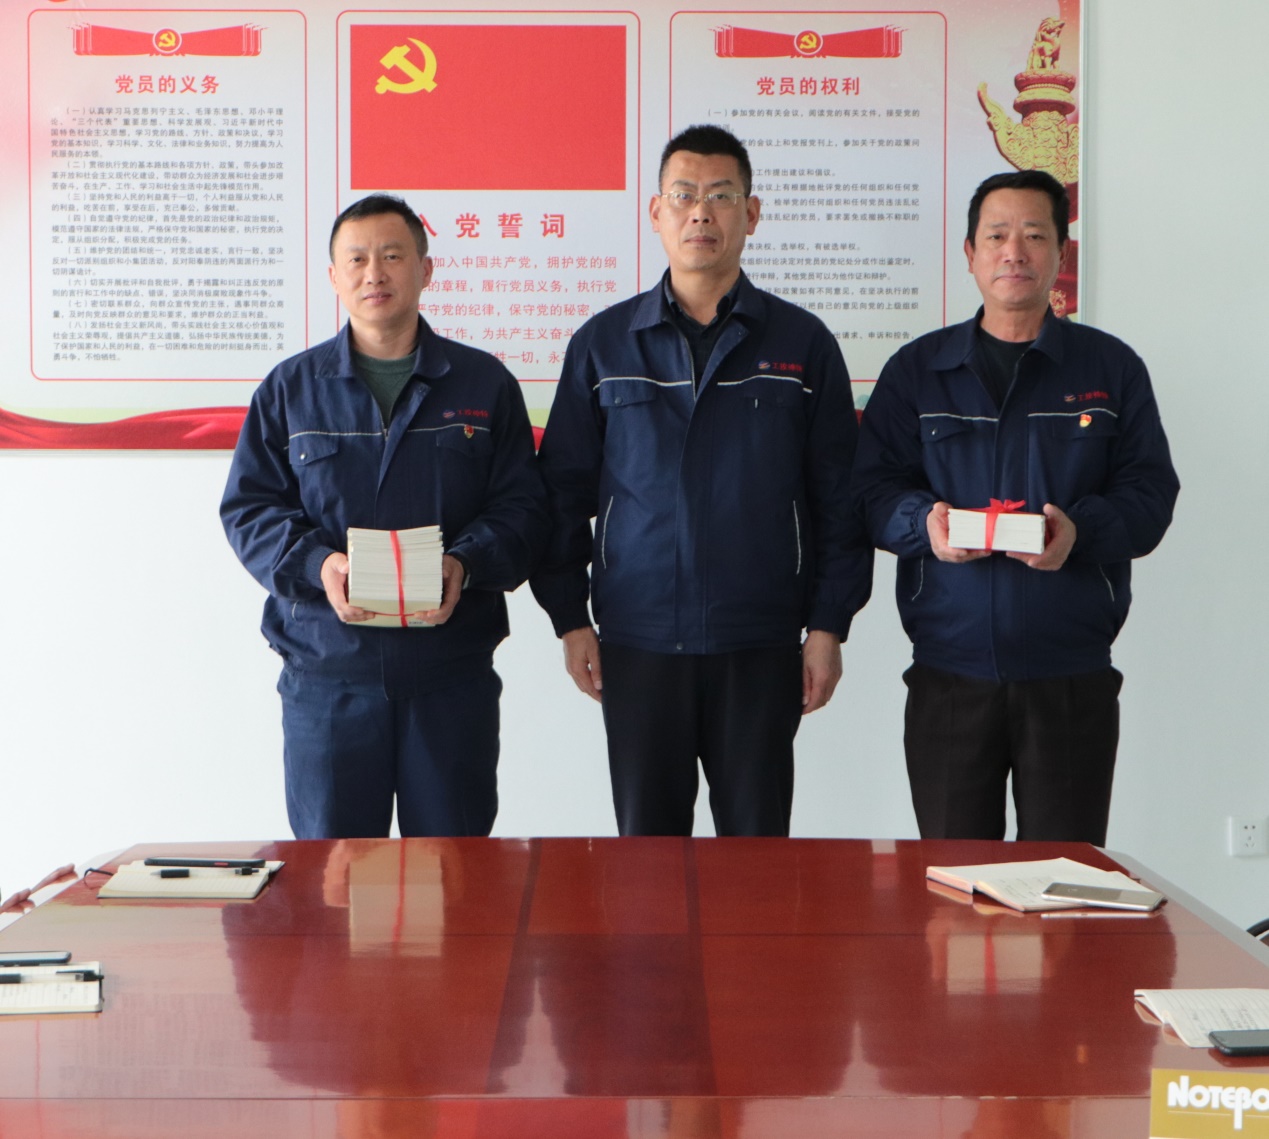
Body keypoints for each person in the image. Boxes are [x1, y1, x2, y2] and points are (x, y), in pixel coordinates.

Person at [531, 124, 873, 837]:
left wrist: (827, 626)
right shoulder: (603, 344)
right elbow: (560, 495)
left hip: (760, 638)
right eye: (683, 196)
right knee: (647, 857)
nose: (700, 213)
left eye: (720, 196)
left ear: (751, 214)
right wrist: (570, 618)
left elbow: (839, 500)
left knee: (755, 854)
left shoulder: (802, 344)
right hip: (638, 638)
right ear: (656, 212)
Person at [851, 170, 1179, 843]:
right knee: (953, 883)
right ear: (969, 253)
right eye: (996, 235)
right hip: (949, 674)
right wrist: (924, 525)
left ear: (1061, 253)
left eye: (1033, 235)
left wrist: (1080, 532)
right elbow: (869, 491)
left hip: (1070, 675)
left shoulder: (1109, 369)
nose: (1013, 252)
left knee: (1062, 884)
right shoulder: (917, 371)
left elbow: (1150, 495)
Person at [221, 194, 547, 839]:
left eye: (393, 255)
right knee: (334, 876)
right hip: (328, 677)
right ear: (334, 276)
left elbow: (524, 507)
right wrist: (320, 565)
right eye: (358, 259)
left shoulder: (483, 384)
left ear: (426, 270)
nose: (375, 273)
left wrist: (465, 564)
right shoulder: (290, 389)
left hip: (450, 674)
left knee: (454, 874)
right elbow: (249, 509)